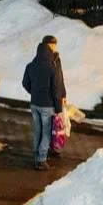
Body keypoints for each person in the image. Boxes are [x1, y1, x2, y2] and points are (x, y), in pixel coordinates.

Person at [22, 36, 66, 170]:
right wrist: (58, 107)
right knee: (46, 132)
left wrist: (34, 93)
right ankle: (41, 160)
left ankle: (37, 156)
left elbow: (25, 83)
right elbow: (56, 89)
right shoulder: (52, 68)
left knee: (37, 131)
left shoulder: (30, 65)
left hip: (34, 104)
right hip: (48, 106)